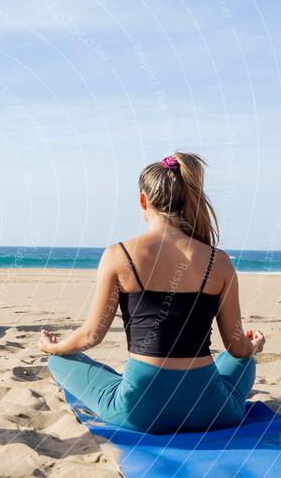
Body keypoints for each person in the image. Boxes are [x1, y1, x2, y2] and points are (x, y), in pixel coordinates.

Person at [39, 153, 265, 434]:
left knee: (60, 361)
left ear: (143, 201)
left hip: (139, 413)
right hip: (213, 412)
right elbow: (236, 346)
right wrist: (253, 346)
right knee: (241, 360)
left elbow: (90, 337)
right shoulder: (219, 262)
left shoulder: (118, 255)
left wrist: (53, 348)